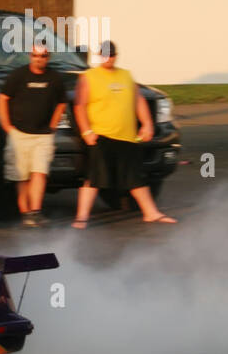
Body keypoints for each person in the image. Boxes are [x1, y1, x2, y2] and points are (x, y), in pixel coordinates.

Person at [72, 41, 176, 228]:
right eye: (104, 54)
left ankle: (151, 213)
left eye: (111, 54)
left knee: (135, 178)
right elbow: (79, 105)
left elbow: (138, 101)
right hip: (101, 136)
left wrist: (147, 125)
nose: (108, 58)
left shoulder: (126, 76)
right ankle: (81, 217)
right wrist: (86, 131)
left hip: (127, 137)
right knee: (94, 179)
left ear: (115, 55)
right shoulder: (89, 77)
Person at [0, 41, 67, 226]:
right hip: (19, 133)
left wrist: (54, 123)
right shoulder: (18, 76)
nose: (39, 59)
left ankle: (36, 212)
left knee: (40, 172)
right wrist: (6, 125)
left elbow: (62, 102)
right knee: (22, 176)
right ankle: (25, 213)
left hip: (43, 134)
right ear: (30, 56)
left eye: (43, 56)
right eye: (35, 55)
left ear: (48, 57)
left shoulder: (55, 78)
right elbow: (3, 98)